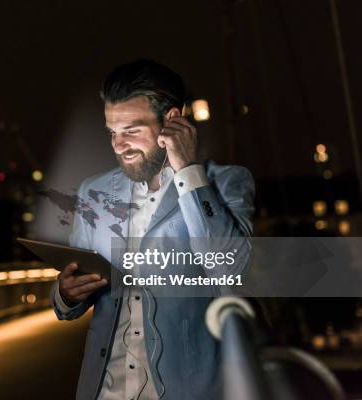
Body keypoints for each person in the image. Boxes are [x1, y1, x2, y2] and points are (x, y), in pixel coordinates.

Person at [50, 59, 255, 400]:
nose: (118, 145)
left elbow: (232, 269)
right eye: (112, 132)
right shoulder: (92, 192)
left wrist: (188, 171)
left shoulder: (228, 182)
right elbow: (67, 299)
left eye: (131, 130)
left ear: (172, 121)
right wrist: (67, 293)